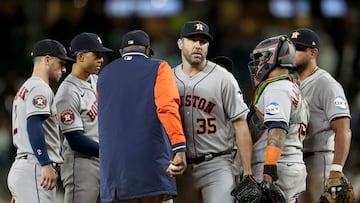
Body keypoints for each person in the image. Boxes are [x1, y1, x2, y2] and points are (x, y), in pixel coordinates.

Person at [97, 29, 187, 203]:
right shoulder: (159, 67)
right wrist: (179, 148)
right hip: (150, 169)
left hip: (114, 174)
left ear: (121, 52)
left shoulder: (104, 75)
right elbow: (167, 108)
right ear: (147, 50)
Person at [172, 20, 253, 203]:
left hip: (216, 164)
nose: (198, 45)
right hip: (182, 167)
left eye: (203, 41)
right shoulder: (168, 78)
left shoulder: (223, 78)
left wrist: (247, 171)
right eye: (192, 39)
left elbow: (240, 124)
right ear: (180, 43)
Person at [290, 28, 352, 203]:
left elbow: (343, 130)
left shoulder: (326, 83)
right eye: (291, 48)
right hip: (297, 161)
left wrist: (336, 169)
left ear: (313, 52)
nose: (293, 53)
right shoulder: (290, 83)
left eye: (299, 49)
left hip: (320, 160)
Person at [7, 39, 73, 202]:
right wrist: (44, 163)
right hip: (34, 168)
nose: (64, 69)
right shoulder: (40, 87)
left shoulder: (26, 86)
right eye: (61, 63)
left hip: (26, 166)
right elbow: (33, 124)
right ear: (47, 59)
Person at [247, 35, 309, 202]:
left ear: (272, 57)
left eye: (261, 58)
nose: (259, 64)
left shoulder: (277, 88)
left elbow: (277, 130)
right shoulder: (291, 85)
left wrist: (268, 171)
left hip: (277, 167)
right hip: (290, 163)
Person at [55, 32, 113, 203]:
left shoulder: (96, 80)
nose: (101, 59)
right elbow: (75, 139)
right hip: (81, 164)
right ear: (80, 57)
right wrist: (109, 151)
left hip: (101, 160)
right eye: (96, 54)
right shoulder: (67, 92)